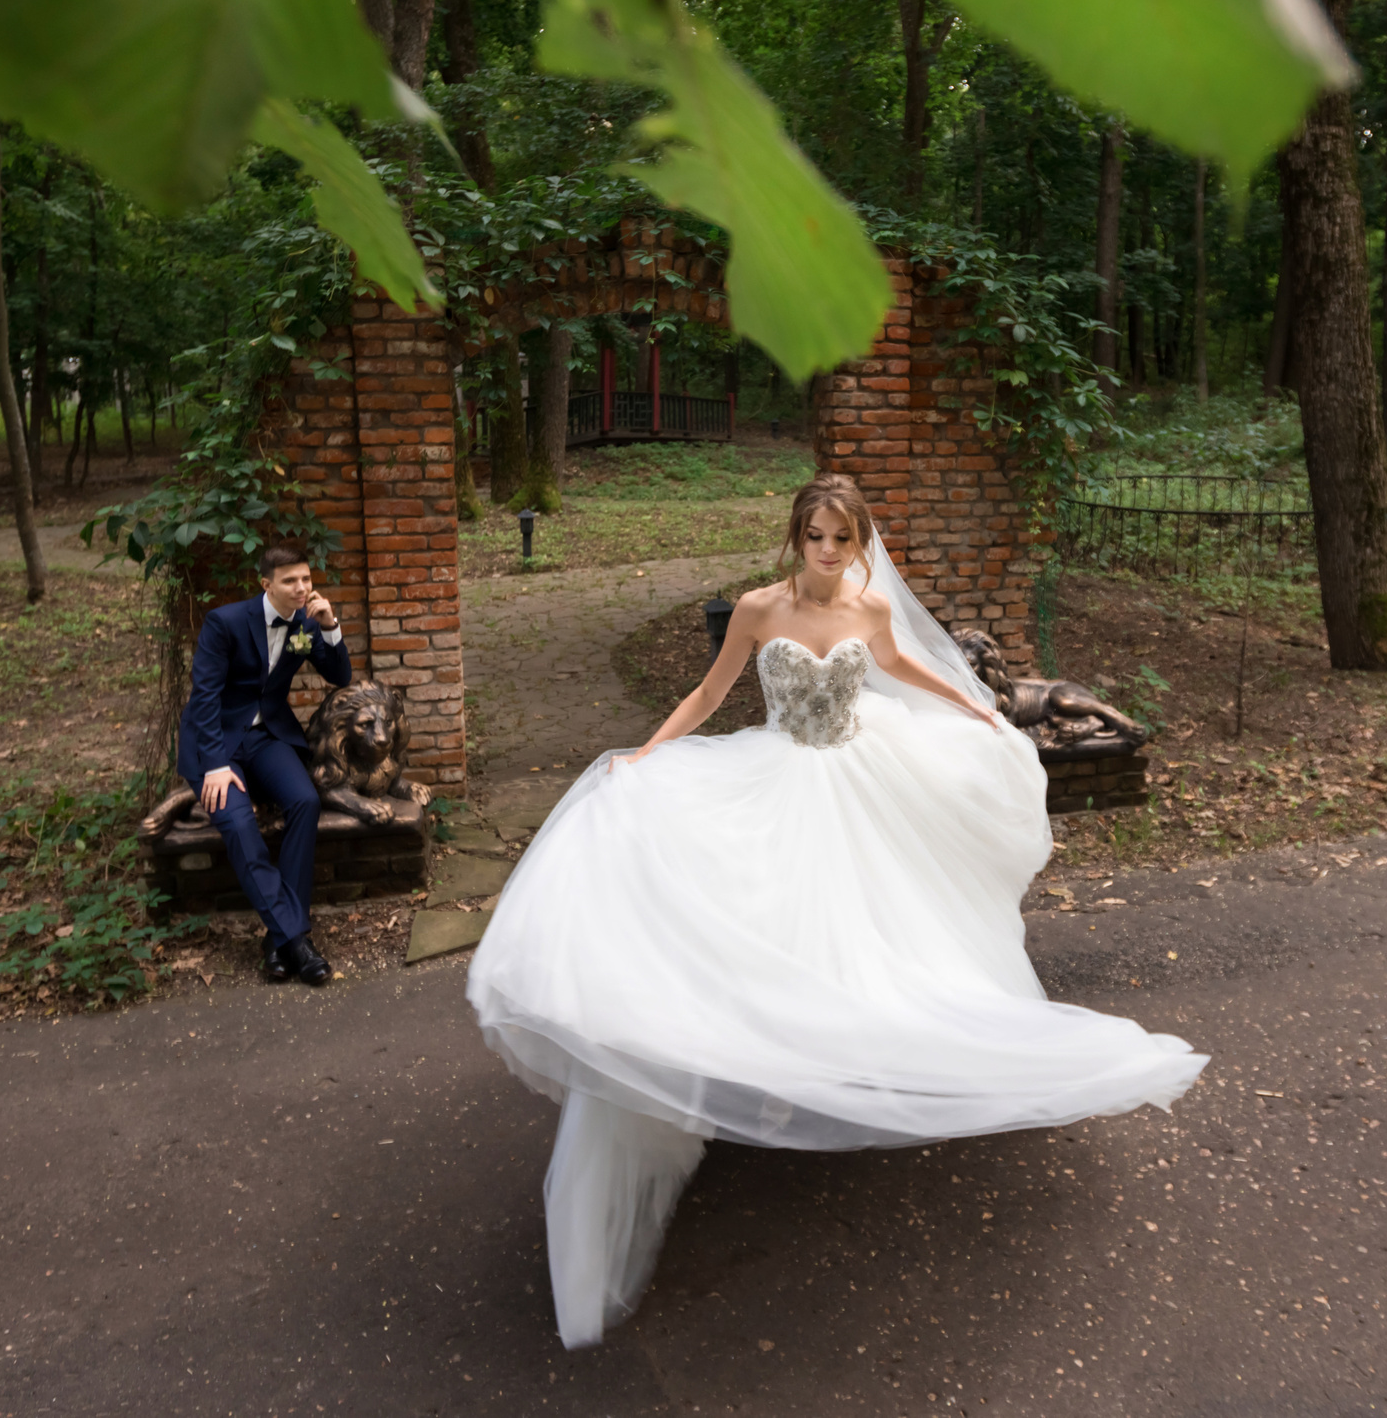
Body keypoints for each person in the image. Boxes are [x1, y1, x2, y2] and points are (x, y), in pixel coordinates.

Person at [468, 473, 1207, 1347]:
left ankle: (829, 1060)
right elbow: (711, 695)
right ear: (795, 536)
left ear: (859, 545)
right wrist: (646, 753)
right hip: (774, 778)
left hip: (858, 778)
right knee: (753, 920)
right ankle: (759, 1063)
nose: (827, 552)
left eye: (842, 540)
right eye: (815, 536)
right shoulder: (755, 608)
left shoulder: (869, 610)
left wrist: (980, 712)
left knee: (870, 940)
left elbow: (897, 670)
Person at [177, 544, 353, 986]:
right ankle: (296, 940)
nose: (301, 588)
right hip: (214, 744)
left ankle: (277, 939)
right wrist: (215, 764)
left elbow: (341, 676)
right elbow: (204, 699)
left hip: (266, 737)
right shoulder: (226, 622)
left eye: (306, 579)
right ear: (266, 584)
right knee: (238, 826)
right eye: (290, 581)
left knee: (305, 803)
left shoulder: (306, 623)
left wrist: (329, 626)